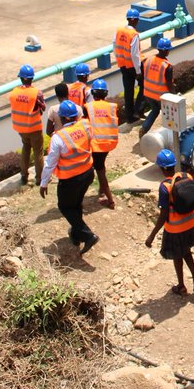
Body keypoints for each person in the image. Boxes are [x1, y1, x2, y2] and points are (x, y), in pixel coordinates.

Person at [146, 149, 194, 296]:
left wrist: (152, 236)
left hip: (176, 228)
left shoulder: (165, 187)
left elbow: (163, 215)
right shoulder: (186, 176)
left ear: (162, 168)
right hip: (192, 224)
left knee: (177, 256)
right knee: (186, 250)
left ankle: (181, 286)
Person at [39, 100, 99, 253]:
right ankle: (76, 235)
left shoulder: (58, 138)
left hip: (70, 179)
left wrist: (43, 182)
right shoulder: (86, 125)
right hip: (87, 173)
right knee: (76, 204)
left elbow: (50, 163)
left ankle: (88, 235)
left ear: (62, 117)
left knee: (65, 206)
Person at [9, 64, 46, 186]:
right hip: (34, 127)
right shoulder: (36, 93)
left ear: (20, 78)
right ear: (31, 78)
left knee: (25, 148)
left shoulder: (14, 92)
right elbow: (43, 108)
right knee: (38, 152)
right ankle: (39, 178)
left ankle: (24, 176)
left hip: (21, 128)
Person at [88, 78, 119, 209]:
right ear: (105, 93)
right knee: (101, 165)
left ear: (93, 93)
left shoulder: (88, 107)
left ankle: (110, 200)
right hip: (109, 143)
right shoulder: (112, 107)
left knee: (100, 171)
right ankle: (101, 190)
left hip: (96, 145)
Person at [139, 37, 174, 134]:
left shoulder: (148, 60)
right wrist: (174, 95)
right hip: (160, 96)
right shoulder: (167, 66)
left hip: (147, 93)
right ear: (167, 51)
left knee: (155, 110)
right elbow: (169, 84)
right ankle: (169, 133)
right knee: (169, 114)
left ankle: (144, 128)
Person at [114, 8, 143, 123]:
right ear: (136, 20)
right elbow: (135, 54)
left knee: (128, 91)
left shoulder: (119, 30)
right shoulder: (133, 34)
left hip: (122, 65)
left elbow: (114, 46)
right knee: (144, 86)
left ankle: (129, 116)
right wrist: (138, 71)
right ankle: (137, 110)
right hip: (132, 66)